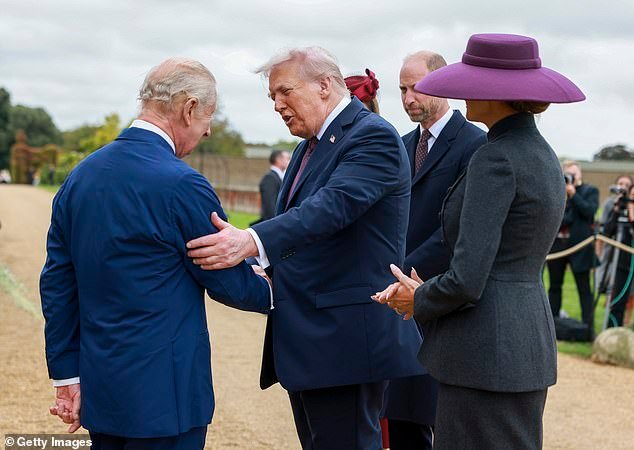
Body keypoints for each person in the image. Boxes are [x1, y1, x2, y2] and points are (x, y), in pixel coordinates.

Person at [186, 47, 424, 449]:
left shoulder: (373, 135)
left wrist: (251, 241)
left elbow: (331, 208)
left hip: (346, 341)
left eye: (285, 92)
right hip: (314, 340)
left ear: (324, 85)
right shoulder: (307, 146)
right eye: (272, 96)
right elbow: (304, 228)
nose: (277, 105)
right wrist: (262, 259)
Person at [40, 58, 272, 450]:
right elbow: (224, 278)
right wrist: (279, 290)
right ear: (189, 109)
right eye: (209, 116)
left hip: (101, 388)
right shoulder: (183, 184)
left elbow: (57, 283)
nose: (208, 129)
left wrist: (67, 377)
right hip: (167, 396)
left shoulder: (80, 177)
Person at [373, 33, 585, 449]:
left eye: (473, 81)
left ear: (499, 92)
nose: (464, 89)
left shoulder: (495, 157)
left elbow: (468, 278)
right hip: (524, 344)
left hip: (482, 351)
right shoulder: (541, 153)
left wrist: (418, 298)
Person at [381, 50, 487, 450]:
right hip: (399, 298)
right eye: (402, 89)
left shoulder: (475, 144)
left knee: (445, 420)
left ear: (443, 84)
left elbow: (457, 230)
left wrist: (401, 273)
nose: (408, 97)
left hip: (442, 297)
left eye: (417, 87)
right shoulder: (401, 144)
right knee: (401, 417)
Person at [547, 160, 599, 334]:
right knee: (555, 286)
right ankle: (552, 327)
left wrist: (574, 195)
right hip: (558, 246)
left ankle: (588, 328)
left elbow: (589, 211)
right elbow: (558, 217)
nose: (571, 177)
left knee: (584, 288)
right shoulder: (558, 191)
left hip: (580, 248)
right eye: (568, 174)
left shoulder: (590, 191)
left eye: (574, 174)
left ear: (580, 174)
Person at [603, 183, 634, 326]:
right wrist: (616, 210)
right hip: (623, 263)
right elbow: (608, 231)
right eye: (632, 196)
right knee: (618, 301)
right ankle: (613, 330)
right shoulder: (622, 214)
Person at [259, 150, 290, 221]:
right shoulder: (270, 178)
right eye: (287, 158)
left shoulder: (279, 177)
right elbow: (269, 206)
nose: (290, 161)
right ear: (278, 160)